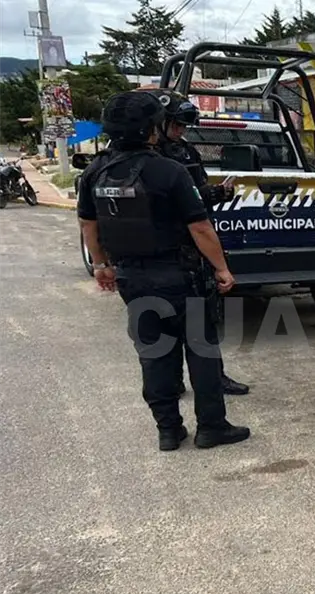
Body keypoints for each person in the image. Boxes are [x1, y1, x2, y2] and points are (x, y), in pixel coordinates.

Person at [77, 90, 251, 451]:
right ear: (150, 129)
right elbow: (200, 227)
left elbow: (88, 223)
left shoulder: (95, 171)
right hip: (181, 277)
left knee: (154, 354)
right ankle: (211, 428)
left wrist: (101, 265)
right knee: (201, 352)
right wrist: (222, 268)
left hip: (131, 279)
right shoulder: (168, 170)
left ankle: (169, 430)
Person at [154, 89, 250, 396]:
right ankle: (173, 383)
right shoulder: (152, 159)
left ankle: (214, 378)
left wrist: (216, 193)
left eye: (184, 125)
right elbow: (176, 202)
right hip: (167, 248)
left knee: (205, 319)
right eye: (176, 125)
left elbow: (197, 190)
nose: (181, 131)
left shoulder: (185, 150)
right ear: (159, 122)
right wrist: (210, 195)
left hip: (195, 248)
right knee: (163, 322)